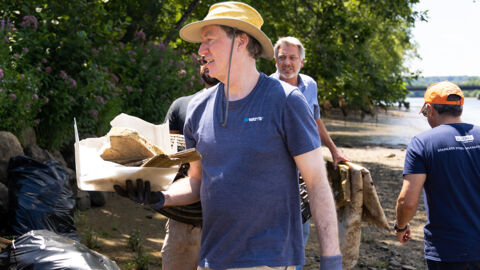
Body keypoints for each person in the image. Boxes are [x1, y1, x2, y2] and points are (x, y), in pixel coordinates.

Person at [115, 2, 342, 269]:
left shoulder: (286, 101)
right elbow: (197, 181)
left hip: (269, 261)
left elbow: (316, 183)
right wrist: (161, 196)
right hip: (212, 259)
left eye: (210, 40)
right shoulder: (198, 109)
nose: (201, 50)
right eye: (201, 43)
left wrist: (331, 260)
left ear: (241, 41)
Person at [271, 37, 348, 270]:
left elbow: (316, 122)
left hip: (307, 162)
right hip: (278, 165)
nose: (287, 62)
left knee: (303, 219)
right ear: (275, 60)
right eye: (282, 57)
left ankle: (294, 265)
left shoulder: (310, 85)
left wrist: (334, 151)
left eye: (292, 57)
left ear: (302, 61)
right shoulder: (266, 86)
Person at [394, 81, 480, 269]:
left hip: (448, 250)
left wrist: (401, 226)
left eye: (425, 113)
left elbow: (407, 202)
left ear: (430, 110)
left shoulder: (422, 143)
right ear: (460, 109)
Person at [161, 58, 219, 270]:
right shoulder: (181, 105)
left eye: (212, 59)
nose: (207, 64)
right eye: (203, 60)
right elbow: (168, 159)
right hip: (184, 220)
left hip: (230, 223)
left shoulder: (244, 107)